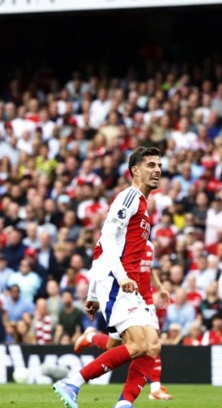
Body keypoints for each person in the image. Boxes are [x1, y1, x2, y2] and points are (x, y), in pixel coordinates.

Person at [53, 147, 168, 408]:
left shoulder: (142, 204)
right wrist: (120, 277)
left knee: (151, 345)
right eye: (151, 165)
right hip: (119, 282)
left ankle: (124, 403)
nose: (157, 170)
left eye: (159, 165)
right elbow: (105, 238)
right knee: (138, 344)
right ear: (135, 170)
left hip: (124, 283)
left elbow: (102, 247)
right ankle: (72, 383)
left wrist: (93, 295)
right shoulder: (129, 197)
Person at [72, 241, 173, 401]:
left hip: (145, 301)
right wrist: (94, 296)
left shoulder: (150, 246)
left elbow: (150, 270)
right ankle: (90, 337)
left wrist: (160, 288)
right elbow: (102, 266)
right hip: (126, 299)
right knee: (113, 346)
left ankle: (152, 388)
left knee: (152, 344)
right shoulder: (124, 244)